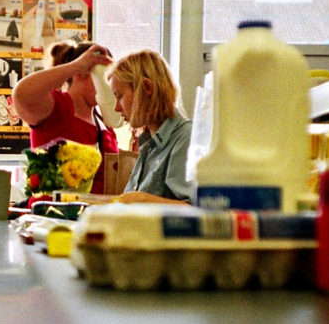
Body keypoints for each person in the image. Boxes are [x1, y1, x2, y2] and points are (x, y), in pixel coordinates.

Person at [11, 40, 118, 194]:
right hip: (53, 215)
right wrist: (76, 66)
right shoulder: (57, 107)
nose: (108, 85)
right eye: (103, 76)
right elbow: (21, 94)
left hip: (92, 215)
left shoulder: (103, 121)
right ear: (81, 73)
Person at [106, 49, 194, 205]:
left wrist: (142, 199)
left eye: (119, 96)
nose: (116, 108)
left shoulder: (185, 139)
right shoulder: (149, 143)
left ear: (146, 88)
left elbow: (196, 211)